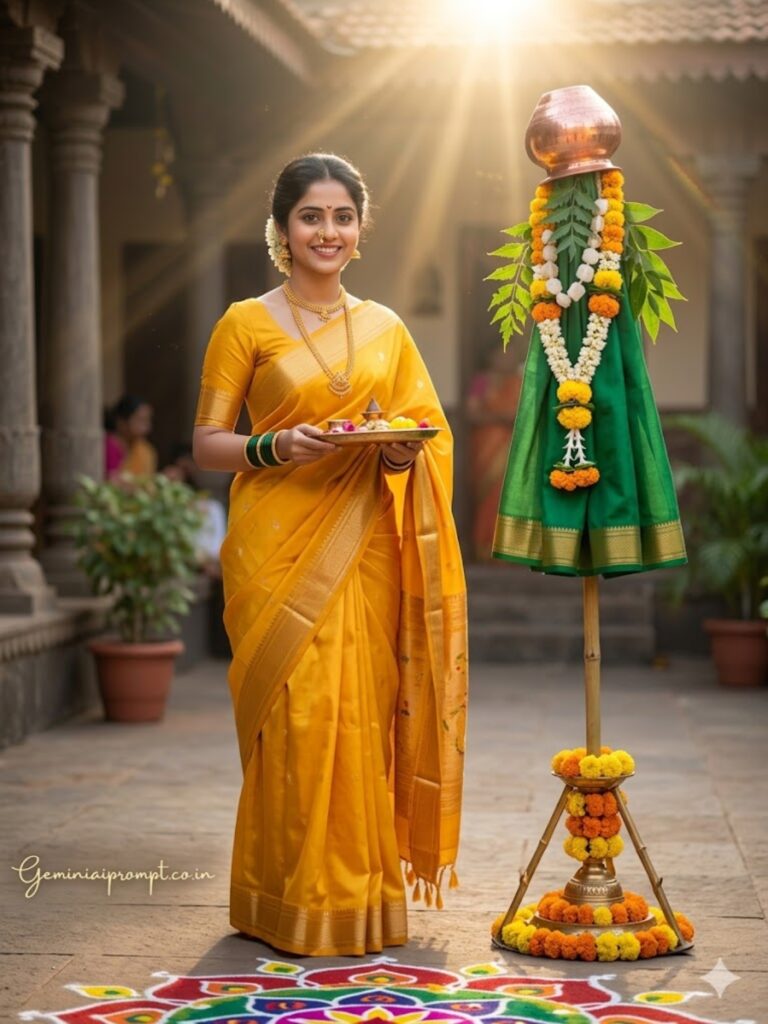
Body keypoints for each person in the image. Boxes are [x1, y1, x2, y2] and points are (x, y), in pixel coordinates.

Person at [191, 153, 467, 957]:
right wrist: (276, 446)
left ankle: (359, 899)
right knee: (299, 718)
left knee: (357, 715)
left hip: (364, 546)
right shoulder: (244, 322)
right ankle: (280, 897)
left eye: (342, 217)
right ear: (282, 230)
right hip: (276, 545)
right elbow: (209, 442)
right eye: (311, 216)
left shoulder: (387, 328)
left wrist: (392, 454)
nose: (327, 231)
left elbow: (426, 433)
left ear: (360, 229)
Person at [161, 442, 226, 580]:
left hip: (205, 564)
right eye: (181, 468)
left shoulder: (210, 506)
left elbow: (217, 546)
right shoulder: (162, 506)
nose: (185, 473)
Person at [104, 394, 158, 479]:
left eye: (148, 421)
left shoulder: (145, 450)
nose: (147, 427)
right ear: (121, 422)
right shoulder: (109, 446)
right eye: (141, 420)